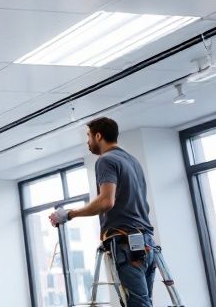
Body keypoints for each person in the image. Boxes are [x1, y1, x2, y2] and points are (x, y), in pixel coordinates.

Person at [49, 117, 156, 307]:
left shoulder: (106, 160)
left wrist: (69, 214)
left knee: (138, 304)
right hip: (146, 243)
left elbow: (106, 201)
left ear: (98, 136)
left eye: (88, 136)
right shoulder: (132, 161)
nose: (88, 142)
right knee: (144, 302)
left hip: (126, 244)